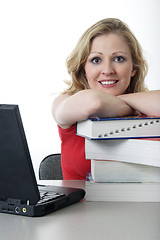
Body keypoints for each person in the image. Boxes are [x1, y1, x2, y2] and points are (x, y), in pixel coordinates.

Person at [52, 18, 160, 180]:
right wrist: (131, 107)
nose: (108, 70)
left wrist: (122, 101)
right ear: (84, 69)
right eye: (96, 60)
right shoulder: (64, 101)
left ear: (133, 68)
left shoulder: (148, 105)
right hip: (80, 205)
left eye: (118, 59)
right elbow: (94, 103)